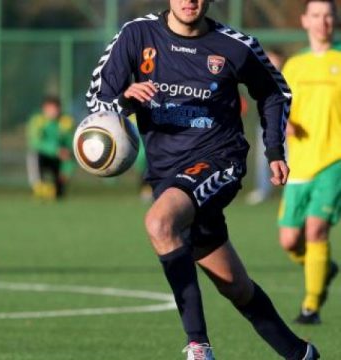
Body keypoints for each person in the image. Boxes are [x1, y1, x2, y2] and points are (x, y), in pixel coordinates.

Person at [86, 0, 319, 359]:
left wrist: (275, 150)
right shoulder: (136, 35)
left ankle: (198, 347)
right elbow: (97, 102)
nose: (189, 0)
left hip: (219, 159)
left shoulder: (235, 46)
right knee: (235, 286)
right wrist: (124, 100)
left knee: (160, 222)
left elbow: (274, 91)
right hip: (165, 173)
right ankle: (301, 354)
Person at [278, 0, 340, 325]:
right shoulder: (295, 65)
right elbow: (280, 105)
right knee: (290, 240)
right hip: (300, 163)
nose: (322, 22)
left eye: (328, 15)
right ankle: (323, 268)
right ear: (305, 21)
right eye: (316, 15)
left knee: (316, 229)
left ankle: (311, 305)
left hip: (334, 160)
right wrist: (284, 121)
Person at [246, 50, 285, 205]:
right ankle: (263, 190)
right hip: (265, 126)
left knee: (289, 159)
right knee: (264, 159)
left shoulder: (289, 76)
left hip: (288, 127)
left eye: (274, 58)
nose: (271, 62)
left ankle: (289, 189)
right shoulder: (259, 77)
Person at [25, 95, 74, 200]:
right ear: (44, 109)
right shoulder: (37, 121)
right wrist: (56, 150)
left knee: (58, 195)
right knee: (33, 155)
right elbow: (35, 142)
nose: (53, 112)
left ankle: (56, 188)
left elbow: (70, 148)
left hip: (58, 160)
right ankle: (38, 185)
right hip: (42, 156)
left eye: (55, 108)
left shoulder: (66, 122)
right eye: (49, 109)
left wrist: (66, 171)